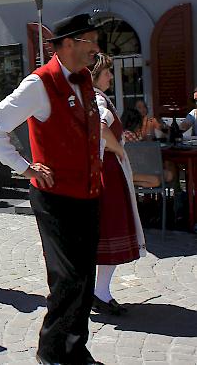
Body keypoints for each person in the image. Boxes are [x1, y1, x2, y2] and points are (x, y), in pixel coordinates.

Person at [0, 14, 103, 365]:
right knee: (68, 277)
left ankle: (75, 347)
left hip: (89, 193)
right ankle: (51, 352)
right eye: (89, 40)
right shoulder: (40, 83)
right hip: (56, 197)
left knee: (85, 276)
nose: (96, 48)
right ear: (67, 44)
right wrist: (24, 166)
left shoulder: (84, 79)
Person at [91, 53, 146, 316]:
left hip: (106, 170)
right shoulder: (98, 99)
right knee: (112, 230)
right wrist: (118, 149)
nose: (111, 76)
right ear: (95, 76)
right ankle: (99, 292)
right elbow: (99, 128)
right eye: (107, 72)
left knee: (106, 233)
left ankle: (99, 291)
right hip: (109, 172)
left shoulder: (92, 98)